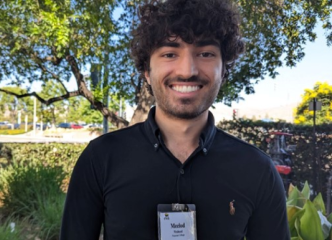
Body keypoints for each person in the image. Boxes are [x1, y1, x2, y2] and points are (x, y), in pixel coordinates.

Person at [60, 0, 290, 239]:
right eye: (170, 53)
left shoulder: (257, 171)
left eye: (205, 53)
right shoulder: (100, 159)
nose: (187, 70)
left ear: (223, 70)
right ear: (147, 72)